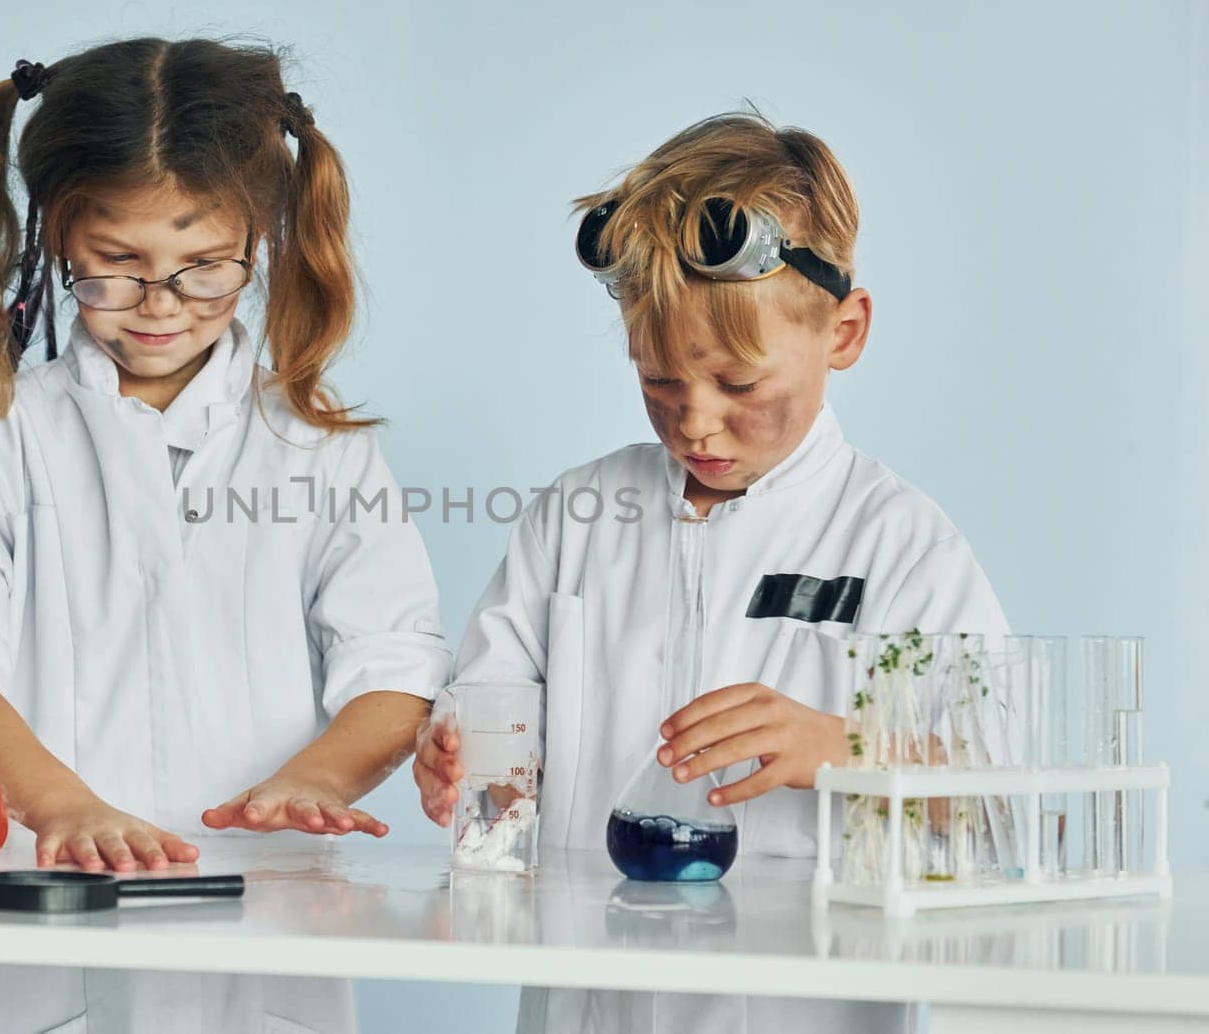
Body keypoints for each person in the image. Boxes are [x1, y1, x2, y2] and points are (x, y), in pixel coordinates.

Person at [414, 111, 1008, 1032]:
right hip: (584, 1004)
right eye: (658, 380)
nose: (694, 422)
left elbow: (1007, 816)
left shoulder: (901, 547)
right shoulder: (576, 516)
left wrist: (844, 750)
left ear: (844, 330)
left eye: (740, 386)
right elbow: (490, 711)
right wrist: (460, 751)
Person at [0, 37, 450, 1034]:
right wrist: (61, 805)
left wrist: (312, 779)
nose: (159, 307)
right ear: (56, 240)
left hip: (268, 921)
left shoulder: (320, 452)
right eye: (116, 267)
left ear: (263, 242)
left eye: (203, 270)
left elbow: (395, 662)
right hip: (43, 927)